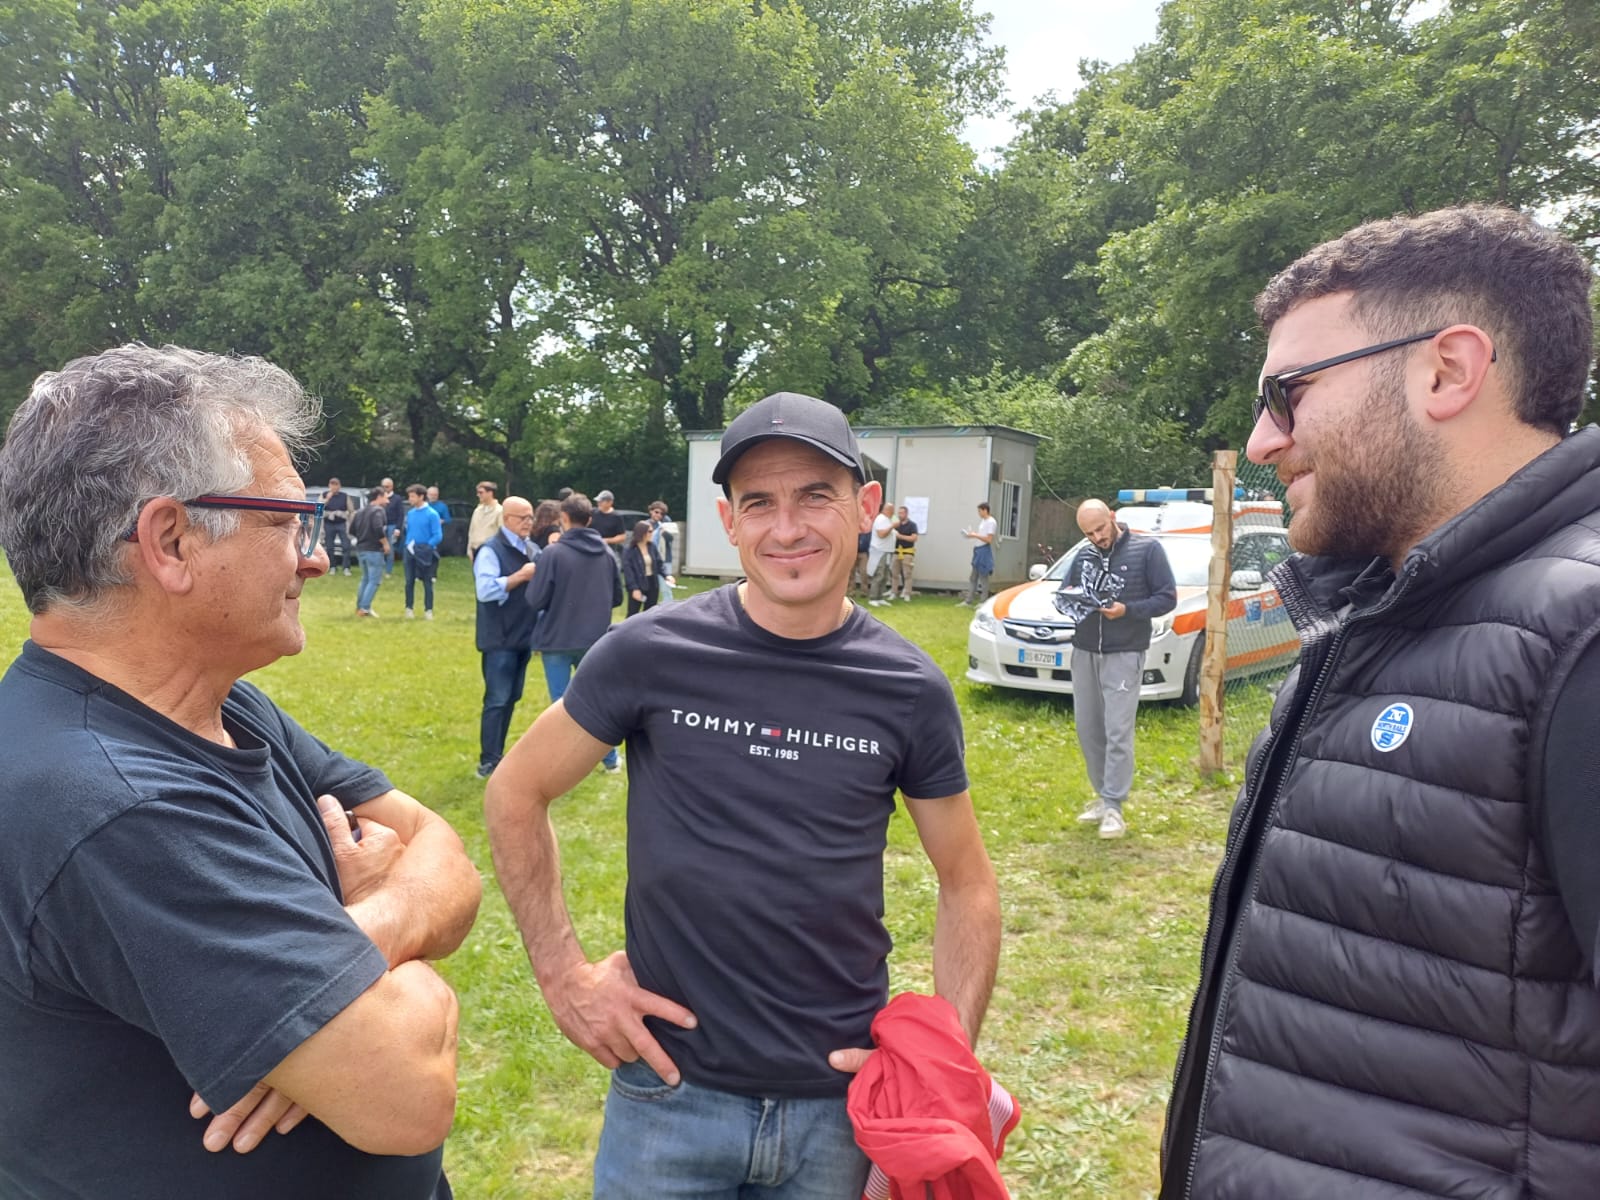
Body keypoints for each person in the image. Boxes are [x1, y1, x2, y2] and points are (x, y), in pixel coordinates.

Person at [1160, 205, 1600, 1199]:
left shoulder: (1580, 635)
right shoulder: (1374, 613)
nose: (1260, 440)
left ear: (1448, 371)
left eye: (1289, 393)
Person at [484, 390, 1001, 1197]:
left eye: (815, 497)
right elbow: (515, 791)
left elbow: (967, 883)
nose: (786, 529)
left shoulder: (908, 688)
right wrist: (563, 976)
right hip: (667, 1101)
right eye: (759, 503)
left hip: (836, 1111)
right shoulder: (649, 653)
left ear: (866, 506)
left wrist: (939, 1071)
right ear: (729, 521)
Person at [0, 344, 481, 1199]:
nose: (315, 559)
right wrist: (354, 978)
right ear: (171, 540)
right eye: (288, 521)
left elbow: (444, 848)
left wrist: (364, 933)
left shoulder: (219, 708)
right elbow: (408, 1092)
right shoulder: (116, 803)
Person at [1058, 499, 1176, 839]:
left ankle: (1114, 807)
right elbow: (1066, 590)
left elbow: (1167, 598)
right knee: (1088, 728)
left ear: (1112, 517)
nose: (1097, 537)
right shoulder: (1083, 555)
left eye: (1100, 529)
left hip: (1125, 651)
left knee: (1117, 730)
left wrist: (1127, 610)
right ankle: (1102, 795)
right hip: (1084, 649)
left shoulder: (1147, 550)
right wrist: (1073, 600)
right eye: (1089, 533)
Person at [520, 492, 622, 772]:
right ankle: (610, 759)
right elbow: (617, 598)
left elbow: (535, 599)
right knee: (597, 701)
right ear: (589, 519)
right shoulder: (606, 553)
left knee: (561, 706)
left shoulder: (552, 554)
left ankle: (563, 764)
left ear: (563, 518)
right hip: (595, 639)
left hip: (557, 638)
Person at [474, 497, 540, 779]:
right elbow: (485, 590)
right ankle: (488, 760)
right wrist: (520, 576)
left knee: (512, 697)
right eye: (522, 518)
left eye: (530, 517)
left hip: (523, 636)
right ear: (507, 519)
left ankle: (498, 755)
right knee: (497, 700)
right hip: (499, 639)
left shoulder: (532, 549)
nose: (528, 522)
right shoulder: (491, 550)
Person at [403, 484, 442, 619]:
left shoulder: (432, 514)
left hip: (425, 551)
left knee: (427, 581)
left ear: (421, 497)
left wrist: (428, 546)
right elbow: (409, 531)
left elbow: (437, 535)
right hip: (410, 550)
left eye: (413, 496)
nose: (410, 499)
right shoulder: (410, 513)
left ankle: (428, 610)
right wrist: (408, 544)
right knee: (409, 581)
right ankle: (409, 608)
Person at [350, 486, 390, 617]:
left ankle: (359, 607)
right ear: (379, 497)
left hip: (361, 549)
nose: (388, 501)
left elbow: (351, 530)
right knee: (374, 580)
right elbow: (378, 528)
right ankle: (365, 608)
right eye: (385, 497)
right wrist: (385, 543)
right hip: (374, 550)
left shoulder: (360, 512)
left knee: (365, 579)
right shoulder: (378, 511)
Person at [621, 519, 671, 616]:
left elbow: (659, 563)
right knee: (633, 613)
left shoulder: (652, 547)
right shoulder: (629, 550)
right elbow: (628, 572)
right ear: (642, 533)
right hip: (638, 583)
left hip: (652, 583)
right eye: (650, 531)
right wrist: (634, 588)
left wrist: (667, 575)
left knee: (650, 613)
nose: (652, 534)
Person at [957, 502, 997, 606]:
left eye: (979, 511)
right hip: (978, 550)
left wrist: (976, 535)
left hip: (984, 551)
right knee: (973, 577)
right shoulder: (983, 521)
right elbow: (981, 535)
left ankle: (983, 601)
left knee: (983, 577)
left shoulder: (991, 522)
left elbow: (989, 539)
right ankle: (968, 600)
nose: (979, 513)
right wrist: (972, 535)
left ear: (985, 510)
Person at [865, 500, 897, 607]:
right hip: (879, 551)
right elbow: (881, 534)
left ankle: (880, 597)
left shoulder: (888, 520)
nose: (893, 512)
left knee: (884, 576)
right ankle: (873, 598)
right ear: (886, 510)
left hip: (887, 551)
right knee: (879, 574)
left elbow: (894, 533)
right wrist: (892, 526)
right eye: (892, 510)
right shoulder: (881, 519)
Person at [647, 500, 679, 604]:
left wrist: (664, 531)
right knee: (650, 586)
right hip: (649, 558)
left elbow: (671, 539)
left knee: (666, 586)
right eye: (656, 512)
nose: (658, 515)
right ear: (651, 511)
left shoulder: (665, 523)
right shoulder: (646, 524)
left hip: (664, 559)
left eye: (661, 514)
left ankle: (668, 605)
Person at [322, 476, 353, 575]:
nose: (334, 487)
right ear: (329, 486)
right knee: (329, 546)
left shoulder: (344, 496)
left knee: (346, 545)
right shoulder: (324, 494)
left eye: (336, 485)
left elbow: (351, 510)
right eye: (332, 485)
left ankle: (346, 567)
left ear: (339, 486)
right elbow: (319, 507)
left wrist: (349, 519)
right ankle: (332, 566)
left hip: (342, 523)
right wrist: (327, 499)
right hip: (329, 523)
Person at [590, 489, 628, 562]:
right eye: (598, 501)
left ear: (610, 502)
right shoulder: (593, 513)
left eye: (601, 501)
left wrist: (607, 540)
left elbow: (622, 536)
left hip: (608, 550)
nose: (599, 503)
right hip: (592, 547)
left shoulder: (616, 517)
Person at [467, 481, 503, 558]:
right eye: (478, 493)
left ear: (490, 493)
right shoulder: (477, 510)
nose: (478, 495)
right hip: (475, 549)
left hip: (490, 550)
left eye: (481, 492)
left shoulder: (499, 511)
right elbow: (472, 530)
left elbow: (501, 533)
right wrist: (469, 549)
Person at [891, 504, 919, 601]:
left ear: (906, 514)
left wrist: (901, 537)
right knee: (894, 574)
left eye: (902, 513)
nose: (900, 515)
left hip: (907, 552)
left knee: (907, 574)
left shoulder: (912, 525)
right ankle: (894, 592)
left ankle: (907, 593)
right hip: (896, 552)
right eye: (899, 513)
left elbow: (914, 538)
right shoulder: (896, 525)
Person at [382, 478, 405, 575]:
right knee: (380, 547)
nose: (385, 488)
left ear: (392, 486)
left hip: (392, 525)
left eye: (387, 486)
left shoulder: (397, 498)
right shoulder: (380, 497)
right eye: (383, 486)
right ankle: (381, 569)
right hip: (381, 525)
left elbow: (401, 514)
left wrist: (398, 528)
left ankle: (388, 571)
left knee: (390, 548)